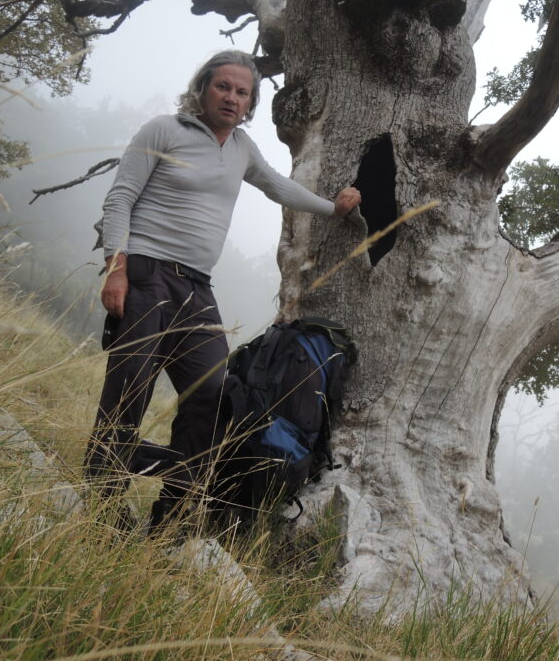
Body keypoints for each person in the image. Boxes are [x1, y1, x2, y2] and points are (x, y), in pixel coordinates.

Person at [84, 49, 361, 533]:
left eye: (242, 92)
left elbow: (278, 186)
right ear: (203, 88)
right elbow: (121, 197)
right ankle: (103, 503)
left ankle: (170, 517)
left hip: (197, 287)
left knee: (210, 393)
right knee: (129, 389)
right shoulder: (164, 130)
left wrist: (332, 210)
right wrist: (116, 268)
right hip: (147, 273)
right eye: (223, 87)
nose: (232, 98)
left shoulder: (242, 148)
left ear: (251, 101)